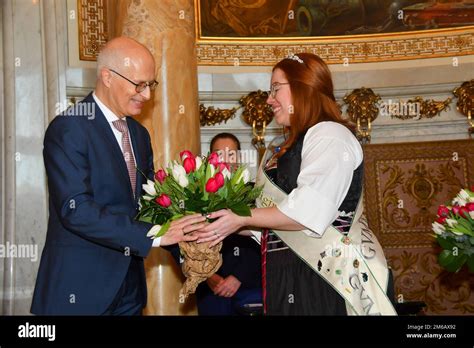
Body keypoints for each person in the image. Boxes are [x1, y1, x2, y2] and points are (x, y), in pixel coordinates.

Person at [197, 53, 396, 315]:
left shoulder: (330, 135)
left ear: (304, 88)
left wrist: (240, 218)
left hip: (326, 278)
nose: (269, 99)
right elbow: (268, 220)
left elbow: (308, 210)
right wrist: (213, 219)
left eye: (275, 89)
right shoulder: (281, 148)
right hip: (287, 274)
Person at [31, 37, 206, 315]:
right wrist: (156, 235)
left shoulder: (138, 134)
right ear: (107, 77)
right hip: (79, 292)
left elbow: (150, 205)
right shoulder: (69, 128)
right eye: (139, 84)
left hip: (130, 291)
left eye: (151, 84)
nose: (147, 95)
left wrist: (188, 248)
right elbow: (76, 210)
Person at [194, 133, 262, 315]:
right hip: (210, 289)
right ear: (210, 159)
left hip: (250, 286)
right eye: (219, 154)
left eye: (230, 154)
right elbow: (180, 240)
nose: (225, 160)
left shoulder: (254, 193)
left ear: (238, 158)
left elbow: (266, 235)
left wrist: (238, 276)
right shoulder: (195, 194)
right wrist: (207, 274)